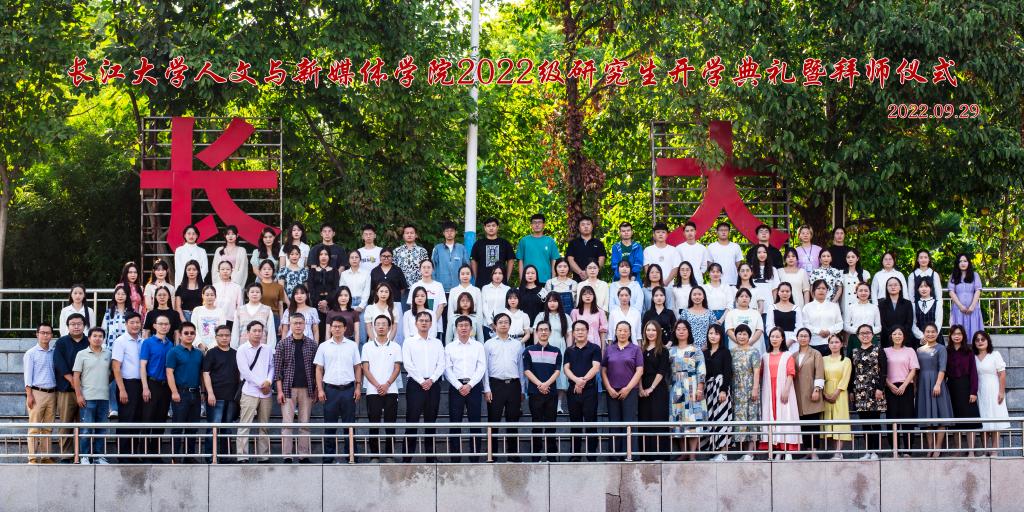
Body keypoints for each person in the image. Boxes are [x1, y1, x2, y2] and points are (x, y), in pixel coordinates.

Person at [315, 317, 362, 464]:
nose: (336, 329)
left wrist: (358, 387)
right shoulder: (323, 346)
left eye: (339, 326)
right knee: (330, 425)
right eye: (334, 326)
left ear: (345, 328)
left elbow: (357, 367)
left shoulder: (352, 346)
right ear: (330, 328)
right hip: (330, 390)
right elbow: (319, 369)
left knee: (350, 426)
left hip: (348, 389)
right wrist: (320, 389)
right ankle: (328, 457)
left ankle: (351, 456)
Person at [274, 313, 319, 463]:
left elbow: (317, 369)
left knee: (304, 423)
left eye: (300, 323)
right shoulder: (282, 344)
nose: (298, 326)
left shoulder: (312, 345)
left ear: (305, 324)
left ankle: (303, 455)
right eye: (295, 323)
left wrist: (317, 388)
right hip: (288, 389)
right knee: (287, 424)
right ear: (290, 325)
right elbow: (277, 370)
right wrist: (279, 391)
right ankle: (287, 455)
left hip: (307, 389)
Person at [403, 312, 445, 460]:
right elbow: (408, 364)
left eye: (427, 320)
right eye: (421, 320)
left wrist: (431, 380)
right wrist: (422, 381)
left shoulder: (437, 343)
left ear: (431, 324)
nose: (424, 323)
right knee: (412, 420)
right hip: (415, 385)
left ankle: (430, 456)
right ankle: (407, 457)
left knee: (431, 421)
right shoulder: (409, 342)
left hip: (433, 385)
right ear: (416, 323)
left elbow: (441, 364)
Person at [445, 316, 487, 462]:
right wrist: (459, 386)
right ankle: (455, 458)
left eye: (466, 325)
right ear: (456, 328)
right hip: (455, 387)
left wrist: (470, 385)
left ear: (471, 328)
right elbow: (447, 369)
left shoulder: (478, 346)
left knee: (475, 422)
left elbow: (481, 367)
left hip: (473, 387)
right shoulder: (449, 347)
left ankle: (475, 457)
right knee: (455, 423)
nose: (463, 328)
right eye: (460, 325)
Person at [361, 315, 403, 461]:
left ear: (389, 327)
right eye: (378, 324)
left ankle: (390, 455)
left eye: (384, 324)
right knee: (374, 423)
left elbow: (397, 368)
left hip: (391, 390)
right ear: (373, 327)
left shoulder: (396, 347)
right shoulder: (367, 346)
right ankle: (374, 455)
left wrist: (387, 384)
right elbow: (365, 369)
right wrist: (378, 385)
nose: (381, 327)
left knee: (390, 424)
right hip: (373, 391)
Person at [602, 321, 644, 459]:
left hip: (630, 391)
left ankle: (630, 455)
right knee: (614, 423)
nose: (622, 333)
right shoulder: (609, 349)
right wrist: (608, 388)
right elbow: (603, 370)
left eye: (625, 330)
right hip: (612, 391)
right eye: (619, 330)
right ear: (615, 332)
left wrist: (628, 388)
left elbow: (639, 371)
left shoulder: (635, 349)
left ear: (630, 333)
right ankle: (614, 456)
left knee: (629, 422)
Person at [522, 321, 562, 461]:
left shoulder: (556, 351)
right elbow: (527, 370)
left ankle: (551, 456)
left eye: (546, 330)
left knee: (551, 425)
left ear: (550, 332)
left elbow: (557, 371)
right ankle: (536, 455)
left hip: (551, 392)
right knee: (536, 424)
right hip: (535, 392)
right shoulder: (529, 350)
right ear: (536, 332)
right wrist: (540, 385)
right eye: (541, 330)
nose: (543, 332)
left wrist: (546, 384)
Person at [667, 320, 706, 460]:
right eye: (678, 329)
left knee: (692, 419)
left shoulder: (696, 350)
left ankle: (692, 454)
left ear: (689, 331)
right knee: (679, 419)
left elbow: (701, 369)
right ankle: (683, 453)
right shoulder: (671, 351)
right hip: (676, 388)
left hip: (692, 386)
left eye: (684, 329)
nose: (681, 331)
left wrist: (700, 388)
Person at [235, 321, 274, 463]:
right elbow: (245, 371)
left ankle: (263, 456)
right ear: (248, 333)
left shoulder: (268, 349)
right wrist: (261, 384)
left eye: (260, 331)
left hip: (266, 393)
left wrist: (268, 381)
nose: (257, 333)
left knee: (264, 426)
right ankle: (242, 456)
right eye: (254, 331)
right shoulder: (242, 349)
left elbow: (272, 366)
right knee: (245, 424)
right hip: (249, 391)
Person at [758, 328, 800, 460]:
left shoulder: (787, 355)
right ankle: (777, 450)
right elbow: (760, 374)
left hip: (783, 390)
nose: (774, 339)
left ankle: (788, 451)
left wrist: (786, 390)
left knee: (785, 417)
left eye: (777, 336)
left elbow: (791, 373)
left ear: (782, 338)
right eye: (772, 336)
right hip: (769, 392)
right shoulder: (764, 356)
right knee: (772, 418)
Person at [166, 322, 204, 463]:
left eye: (192, 333)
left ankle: (189, 457)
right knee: (178, 427)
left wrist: (203, 392)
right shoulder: (174, 352)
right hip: (180, 393)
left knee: (193, 428)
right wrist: (174, 392)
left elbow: (201, 374)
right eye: (186, 333)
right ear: (180, 335)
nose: (189, 335)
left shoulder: (198, 353)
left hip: (196, 393)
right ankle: (174, 458)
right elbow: (169, 372)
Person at [53, 313, 89, 461]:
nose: (76, 327)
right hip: (66, 390)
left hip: (86, 390)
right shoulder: (61, 342)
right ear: (68, 326)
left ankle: (83, 455)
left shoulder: (89, 341)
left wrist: (80, 385)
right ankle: (66, 455)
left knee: (85, 425)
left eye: (79, 324)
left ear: (84, 326)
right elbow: (59, 364)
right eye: (73, 324)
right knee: (65, 424)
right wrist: (73, 382)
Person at [72, 327, 111, 464]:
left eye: (100, 336)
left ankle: (98, 457)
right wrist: (79, 395)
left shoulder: (108, 354)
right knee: (86, 429)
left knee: (101, 429)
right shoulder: (81, 354)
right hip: (87, 398)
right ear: (89, 338)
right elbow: (76, 376)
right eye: (94, 336)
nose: (97, 338)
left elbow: (112, 373)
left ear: (103, 339)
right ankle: (84, 456)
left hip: (104, 398)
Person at [563, 321, 601, 461]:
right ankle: (575, 455)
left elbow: (596, 367)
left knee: (591, 423)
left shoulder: (595, 348)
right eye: (577, 330)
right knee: (575, 424)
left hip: (590, 391)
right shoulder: (569, 350)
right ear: (573, 333)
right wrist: (576, 381)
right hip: (573, 391)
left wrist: (582, 381)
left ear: (587, 331)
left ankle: (591, 455)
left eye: (582, 330)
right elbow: (566, 369)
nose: (580, 332)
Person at [850, 323, 888, 460]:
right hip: (860, 391)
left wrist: (880, 388)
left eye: (868, 333)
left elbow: (884, 371)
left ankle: (875, 452)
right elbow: (852, 372)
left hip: (875, 390)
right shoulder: (854, 351)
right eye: (862, 333)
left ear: (872, 335)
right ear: (858, 336)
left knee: (875, 422)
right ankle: (868, 451)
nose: (865, 335)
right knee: (864, 422)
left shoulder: (879, 350)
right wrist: (851, 391)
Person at [139, 314, 174, 460]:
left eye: (166, 324)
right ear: (154, 326)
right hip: (152, 384)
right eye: (161, 324)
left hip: (165, 387)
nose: (164, 326)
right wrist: (145, 387)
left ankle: (155, 453)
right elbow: (143, 366)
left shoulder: (170, 344)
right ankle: (143, 453)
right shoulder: (148, 343)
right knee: (148, 419)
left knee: (161, 420)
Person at [202, 325, 239, 462]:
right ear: (216, 337)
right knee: (213, 428)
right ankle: (210, 457)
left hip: (232, 397)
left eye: (227, 335)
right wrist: (210, 393)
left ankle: (226, 457)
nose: (224, 338)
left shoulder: (235, 353)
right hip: (215, 397)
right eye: (221, 335)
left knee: (227, 429)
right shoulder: (211, 353)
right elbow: (206, 373)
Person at [917, 323, 954, 457]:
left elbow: (942, 367)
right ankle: (930, 447)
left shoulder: (941, 348)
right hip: (923, 385)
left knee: (940, 415)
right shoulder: (919, 350)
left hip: (937, 384)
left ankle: (938, 447)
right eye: (928, 331)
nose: (930, 334)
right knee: (926, 416)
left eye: (933, 331)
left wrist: (938, 384)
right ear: (924, 333)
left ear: (937, 333)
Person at [110, 313, 144, 459]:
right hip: (126, 385)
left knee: (137, 420)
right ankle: (123, 454)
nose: (135, 325)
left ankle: (133, 453)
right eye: (132, 322)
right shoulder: (120, 341)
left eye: (137, 322)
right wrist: (122, 389)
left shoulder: (142, 341)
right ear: (126, 324)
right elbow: (116, 367)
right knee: (126, 420)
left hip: (141, 384)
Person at [24, 322, 57, 464]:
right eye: (42, 333)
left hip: (52, 393)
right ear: (37, 334)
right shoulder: (31, 353)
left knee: (48, 428)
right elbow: (27, 376)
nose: (45, 335)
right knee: (34, 427)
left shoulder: (54, 353)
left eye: (48, 333)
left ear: (52, 335)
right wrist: (29, 395)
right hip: (37, 393)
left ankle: (46, 457)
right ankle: (32, 458)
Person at [638, 321, 671, 460]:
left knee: (658, 420)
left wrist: (651, 388)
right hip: (642, 389)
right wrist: (641, 388)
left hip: (658, 389)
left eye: (653, 330)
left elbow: (661, 371)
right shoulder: (640, 350)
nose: (650, 333)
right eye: (648, 330)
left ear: (658, 332)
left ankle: (660, 455)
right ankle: (646, 455)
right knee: (644, 420)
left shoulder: (663, 350)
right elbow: (638, 371)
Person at [973, 331, 1010, 455]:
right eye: (977, 340)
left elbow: (1002, 374)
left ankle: (994, 450)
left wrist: (1001, 392)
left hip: (994, 389)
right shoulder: (973, 357)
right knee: (983, 420)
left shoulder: (995, 354)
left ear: (988, 341)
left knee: (995, 419)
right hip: (979, 391)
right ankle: (985, 450)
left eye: (983, 339)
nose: (980, 342)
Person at [883, 327, 919, 455]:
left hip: (906, 387)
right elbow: (881, 370)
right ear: (891, 336)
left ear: (904, 336)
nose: (897, 336)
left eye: (900, 334)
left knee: (908, 419)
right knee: (892, 419)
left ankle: (908, 450)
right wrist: (889, 384)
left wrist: (904, 385)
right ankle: (895, 450)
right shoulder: (885, 351)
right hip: (890, 388)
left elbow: (913, 370)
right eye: (895, 333)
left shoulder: (910, 351)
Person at [947, 325, 980, 455]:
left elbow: (973, 373)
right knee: (955, 421)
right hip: (952, 388)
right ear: (950, 336)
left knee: (970, 420)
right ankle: (958, 450)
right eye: (954, 334)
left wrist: (973, 391)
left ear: (963, 336)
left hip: (966, 387)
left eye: (959, 334)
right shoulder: (946, 351)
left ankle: (971, 451)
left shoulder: (969, 352)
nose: (957, 336)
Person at [729, 324, 760, 460]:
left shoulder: (754, 351)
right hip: (736, 389)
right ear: (735, 336)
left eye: (744, 334)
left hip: (750, 388)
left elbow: (757, 371)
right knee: (739, 418)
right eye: (739, 334)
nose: (742, 336)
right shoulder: (732, 351)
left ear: (749, 336)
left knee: (751, 417)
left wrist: (755, 389)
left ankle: (751, 452)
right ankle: (743, 452)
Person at [792, 327, 825, 458]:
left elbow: (819, 372)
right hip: (798, 394)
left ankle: (814, 451)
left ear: (810, 338)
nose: (803, 338)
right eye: (801, 336)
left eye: (805, 336)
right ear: (797, 338)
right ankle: (807, 451)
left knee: (813, 424)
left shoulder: (816, 354)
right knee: (803, 424)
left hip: (812, 393)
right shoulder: (793, 355)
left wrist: (817, 389)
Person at [702, 324, 733, 460]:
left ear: (721, 336)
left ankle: (723, 453)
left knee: (722, 418)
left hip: (720, 387)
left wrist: (723, 390)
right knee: (711, 418)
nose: (713, 336)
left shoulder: (725, 352)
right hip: (708, 389)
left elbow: (728, 372)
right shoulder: (704, 353)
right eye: (710, 333)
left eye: (716, 333)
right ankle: (715, 452)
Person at [535, 293, 570, 411]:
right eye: (550, 301)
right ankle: (545, 402)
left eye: (555, 301)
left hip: (560, 347)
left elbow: (569, 335)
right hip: (544, 347)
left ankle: (559, 404)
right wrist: (537, 348)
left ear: (559, 302)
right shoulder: (541, 316)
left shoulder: (565, 316)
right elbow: (536, 333)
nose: (552, 303)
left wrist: (569, 351)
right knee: (545, 373)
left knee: (560, 374)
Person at [821, 334, 852, 458]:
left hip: (840, 393)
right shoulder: (823, 359)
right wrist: (824, 393)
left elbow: (846, 377)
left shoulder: (846, 360)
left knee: (840, 420)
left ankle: (838, 452)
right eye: (831, 342)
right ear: (828, 345)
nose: (834, 345)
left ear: (842, 344)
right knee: (829, 421)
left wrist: (836, 393)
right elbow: (820, 376)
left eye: (837, 342)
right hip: (826, 391)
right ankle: (833, 450)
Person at [102, 286, 131, 418]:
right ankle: (113, 407)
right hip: (111, 348)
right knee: (111, 378)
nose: (120, 296)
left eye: (123, 294)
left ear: (127, 296)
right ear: (114, 296)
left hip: (127, 348)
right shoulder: (109, 312)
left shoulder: (130, 312)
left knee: (125, 376)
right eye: (118, 294)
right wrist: (103, 346)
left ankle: (124, 405)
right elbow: (104, 330)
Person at [802, 280, 844, 355]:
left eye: (823, 288)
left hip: (832, 344)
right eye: (818, 288)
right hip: (813, 343)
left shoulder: (834, 306)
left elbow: (840, 324)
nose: (821, 290)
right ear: (813, 291)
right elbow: (805, 324)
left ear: (827, 291)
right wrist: (818, 331)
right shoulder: (807, 307)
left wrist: (829, 331)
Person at [306, 246, 340, 341]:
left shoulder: (334, 271)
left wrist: (326, 301)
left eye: (326, 254)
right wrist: (320, 303)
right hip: (316, 304)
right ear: (318, 256)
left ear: (329, 256)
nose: (323, 256)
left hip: (331, 304)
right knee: (318, 329)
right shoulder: (312, 271)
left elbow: (336, 288)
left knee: (331, 328)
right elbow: (311, 288)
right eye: (321, 254)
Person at [949, 253, 984, 341]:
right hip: (958, 310)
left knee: (974, 334)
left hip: (973, 309)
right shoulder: (953, 276)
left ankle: (974, 349)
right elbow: (951, 291)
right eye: (960, 261)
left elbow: (978, 290)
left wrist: (972, 306)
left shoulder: (975, 275)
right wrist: (960, 306)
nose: (963, 263)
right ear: (957, 263)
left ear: (969, 263)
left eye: (965, 261)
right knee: (959, 333)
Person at [470, 217, 516, 286]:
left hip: (501, 283)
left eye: (493, 226)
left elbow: (511, 260)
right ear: (485, 228)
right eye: (488, 226)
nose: (491, 228)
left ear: (497, 227)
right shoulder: (478, 244)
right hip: (482, 283)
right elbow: (473, 260)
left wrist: (507, 278)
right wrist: (477, 278)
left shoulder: (505, 243)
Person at [517, 213, 561, 283]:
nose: (537, 225)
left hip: (546, 280)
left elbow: (554, 261)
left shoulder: (550, 241)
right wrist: (521, 280)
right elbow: (520, 261)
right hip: (528, 279)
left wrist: (553, 279)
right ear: (531, 225)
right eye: (534, 222)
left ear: (544, 225)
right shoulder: (524, 241)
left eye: (539, 222)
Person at [232, 283, 278, 349]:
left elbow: (271, 331)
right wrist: (234, 348)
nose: (255, 294)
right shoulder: (239, 310)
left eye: (257, 292)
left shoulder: (267, 310)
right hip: (243, 348)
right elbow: (235, 331)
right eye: (252, 292)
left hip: (261, 348)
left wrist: (270, 349)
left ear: (261, 294)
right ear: (247, 294)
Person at [431, 220, 469, 294]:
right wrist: (434, 284)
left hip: (458, 287)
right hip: (441, 288)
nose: (449, 233)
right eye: (447, 231)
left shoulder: (461, 248)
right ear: (443, 233)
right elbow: (432, 267)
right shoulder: (437, 248)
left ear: (455, 232)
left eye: (452, 231)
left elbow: (466, 267)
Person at [394, 225, 429, 302]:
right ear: (403, 235)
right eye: (407, 233)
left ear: (416, 235)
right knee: (403, 309)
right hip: (402, 288)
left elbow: (427, 268)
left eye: (412, 233)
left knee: (419, 309)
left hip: (419, 287)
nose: (409, 235)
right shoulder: (397, 251)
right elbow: (394, 269)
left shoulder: (422, 251)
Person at [566, 215, 607, 280]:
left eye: (588, 224)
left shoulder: (599, 243)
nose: (586, 226)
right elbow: (570, 260)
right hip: (577, 279)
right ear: (579, 228)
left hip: (595, 279)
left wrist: (590, 273)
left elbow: (601, 260)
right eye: (583, 224)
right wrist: (580, 273)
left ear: (592, 227)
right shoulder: (573, 243)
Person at [879, 277, 916, 349]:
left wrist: (899, 334)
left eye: (895, 285)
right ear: (886, 288)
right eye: (890, 285)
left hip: (904, 338)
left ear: (900, 287)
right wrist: (892, 335)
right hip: (887, 338)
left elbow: (909, 322)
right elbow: (882, 322)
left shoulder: (907, 303)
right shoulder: (882, 304)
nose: (893, 287)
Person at [724, 289, 764, 353]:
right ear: (736, 299)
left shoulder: (756, 313)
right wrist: (740, 342)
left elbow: (759, 330)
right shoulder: (730, 313)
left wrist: (748, 343)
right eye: (741, 296)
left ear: (750, 299)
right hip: (735, 348)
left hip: (753, 347)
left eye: (747, 296)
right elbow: (729, 330)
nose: (744, 298)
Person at [408, 259, 448, 323]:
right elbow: (412, 305)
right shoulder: (415, 286)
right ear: (420, 269)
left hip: (435, 323)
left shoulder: (439, 286)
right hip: (419, 324)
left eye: (429, 267)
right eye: (424, 267)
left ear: (433, 269)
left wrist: (432, 322)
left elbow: (441, 306)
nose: (426, 269)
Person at [644, 223, 682, 287]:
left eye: (663, 232)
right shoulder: (648, 250)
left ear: (667, 234)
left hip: (668, 286)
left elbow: (676, 267)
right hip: (653, 286)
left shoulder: (673, 250)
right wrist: (654, 282)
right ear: (654, 235)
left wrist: (666, 282)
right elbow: (646, 267)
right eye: (658, 232)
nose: (660, 234)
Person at [255, 260, 287, 334]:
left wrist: (281, 322)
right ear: (260, 271)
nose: (267, 271)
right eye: (264, 269)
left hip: (274, 317)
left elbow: (280, 306)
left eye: (269, 269)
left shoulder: (279, 287)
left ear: (273, 271)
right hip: (259, 316)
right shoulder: (256, 286)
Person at [481, 268, 512, 338]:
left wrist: (501, 322)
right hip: (487, 325)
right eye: (495, 273)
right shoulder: (485, 288)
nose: (497, 275)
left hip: (503, 325)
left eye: (500, 273)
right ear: (491, 275)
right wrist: (491, 323)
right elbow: (484, 306)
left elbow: (508, 307)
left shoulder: (507, 289)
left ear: (503, 275)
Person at [339, 250, 372, 314]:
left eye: (356, 257)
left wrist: (361, 306)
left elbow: (367, 291)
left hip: (362, 304)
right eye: (352, 257)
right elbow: (342, 291)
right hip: (347, 303)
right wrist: (346, 305)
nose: (354, 259)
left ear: (360, 259)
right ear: (348, 260)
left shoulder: (366, 274)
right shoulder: (344, 274)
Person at [912, 279, 944, 345]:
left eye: (926, 286)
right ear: (917, 289)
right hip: (920, 339)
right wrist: (922, 336)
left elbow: (938, 322)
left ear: (931, 288)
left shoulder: (937, 303)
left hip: (936, 338)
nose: (924, 289)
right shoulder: (914, 305)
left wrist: (931, 335)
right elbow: (913, 324)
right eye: (921, 287)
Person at [840, 249, 871, 316]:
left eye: (853, 257)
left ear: (857, 258)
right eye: (848, 257)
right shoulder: (841, 273)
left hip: (859, 304)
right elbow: (839, 290)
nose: (850, 259)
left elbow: (866, 290)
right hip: (846, 303)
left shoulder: (864, 273)